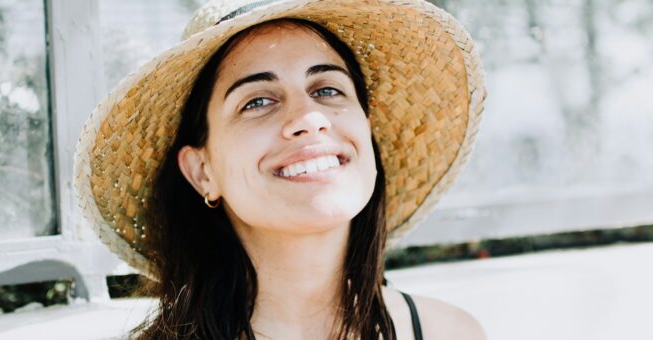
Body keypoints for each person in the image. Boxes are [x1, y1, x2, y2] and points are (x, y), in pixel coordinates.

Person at [74, 0, 487, 339]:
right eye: (257, 101)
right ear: (202, 171)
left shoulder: (449, 333)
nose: (309, 117)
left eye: (328, 89)